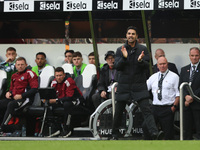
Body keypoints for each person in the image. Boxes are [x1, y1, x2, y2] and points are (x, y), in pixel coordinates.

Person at [110, 26, 163, 140]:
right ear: (126, 35)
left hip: (139, 85)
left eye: (133, 34)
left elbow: (146, 66)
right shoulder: (120, 49)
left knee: (146, 110)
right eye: (129, 33)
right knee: (119, 111)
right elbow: (117, 67)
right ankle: (114, 134)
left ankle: (154, 133)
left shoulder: (143, 49)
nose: (131, 35)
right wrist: (124, 58)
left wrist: (140, 61)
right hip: (124, 85)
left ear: (137, 36)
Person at [0, 57, 38, 133]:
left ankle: (3, 127)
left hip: (26, 99)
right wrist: (9, 93)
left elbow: (34, 89)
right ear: (16, 66)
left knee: (11, 104)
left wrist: (22, 96)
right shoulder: (14, 75)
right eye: (18, 65)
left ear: (26, 65)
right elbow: (11, 89)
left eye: (22, 64)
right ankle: (6, 126)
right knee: (1, 103)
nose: (20, 66)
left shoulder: (30, 73)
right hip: (14, 98)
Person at [146, 56, 179, 140]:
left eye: (164, 64)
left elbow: (178, 94)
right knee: (146, 126)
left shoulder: (174, 77)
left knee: (168, 133)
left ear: (167, 64)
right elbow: (144, 88)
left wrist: (174, 107)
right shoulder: (153, 77)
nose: (162, 66)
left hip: (167, 108)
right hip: (155, 107)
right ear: (157, 65)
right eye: (160, 64)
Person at [48, 67, 85, 137]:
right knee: (49, 105)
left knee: (67, 105)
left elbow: (69, 97)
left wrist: (56, 100)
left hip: (76, 101)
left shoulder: (69, 81)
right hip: (63, 100)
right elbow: (52, 94)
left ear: (64, 75)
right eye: (57, 76)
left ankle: (67, 129)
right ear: (55, 76)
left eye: (60, 75)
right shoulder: (53, 82)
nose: (59, 78)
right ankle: (56, 129)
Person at [179, 47, 200, 140]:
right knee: (186, 131)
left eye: (196, 55)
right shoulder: (184, 69)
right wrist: (186, 97)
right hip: (186, 105)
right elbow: (180, 86)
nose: (194, 58)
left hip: (198, 104)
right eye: (192, 55)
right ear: (189, 56)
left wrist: (191, 97)